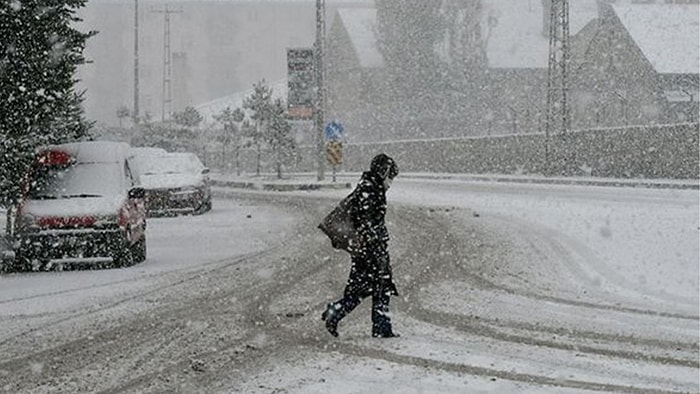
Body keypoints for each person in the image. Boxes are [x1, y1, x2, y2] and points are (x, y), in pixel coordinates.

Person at [322, 153, 400, 338]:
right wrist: (374, 242)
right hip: (370, 249)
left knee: (370, 288)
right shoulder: (370, 189)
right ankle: (376, 326)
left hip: (370, 248)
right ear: (383, 173)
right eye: (390, 177)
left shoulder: (370, 187)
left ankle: (338, 312)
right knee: (375, 287)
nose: (390, 183)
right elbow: (364, 221)